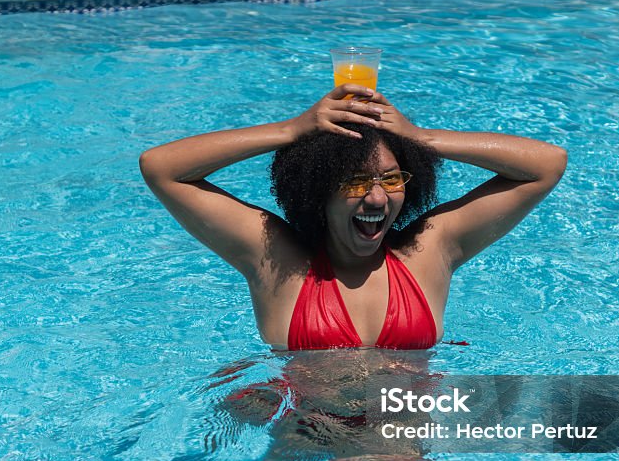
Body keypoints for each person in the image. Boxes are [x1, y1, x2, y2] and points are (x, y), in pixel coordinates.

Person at [139, 84, 567, 351]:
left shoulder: (429, 250)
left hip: (401, 444)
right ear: (316, 192)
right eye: (356, 182)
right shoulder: (278, 260)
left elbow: (547, 163)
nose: (378, 198)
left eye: (391, 179)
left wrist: (421, 137)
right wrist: (292, 130)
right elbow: (162, 168)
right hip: (306, 445)